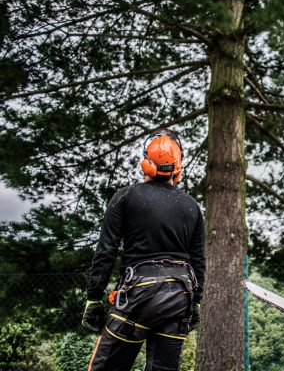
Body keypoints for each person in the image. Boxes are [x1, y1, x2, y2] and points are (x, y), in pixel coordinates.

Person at [82, 128, 205, 371]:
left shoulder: (126, 197)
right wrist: (196, 303)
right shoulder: (192, 206)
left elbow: (106, 250)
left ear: (145, 163)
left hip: (137, 297)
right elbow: (198, 260)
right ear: (178, 166)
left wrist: (94, 297)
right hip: (180, 299)